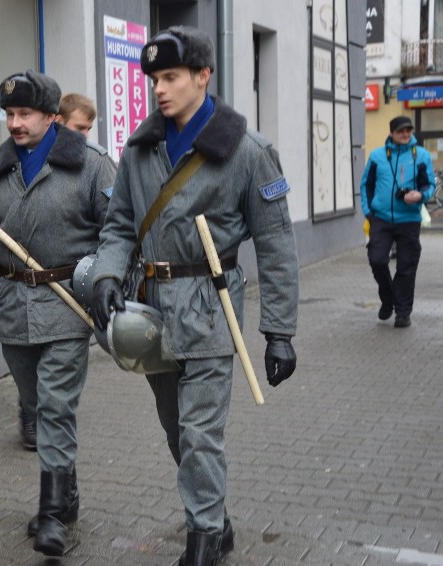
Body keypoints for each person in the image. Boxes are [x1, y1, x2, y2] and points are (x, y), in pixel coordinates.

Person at [90, 27, 299, 565]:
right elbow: (118, 226)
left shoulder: (248, 153)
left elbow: (276, 244)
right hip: (152, 309)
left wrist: (279, 332)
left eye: (171, 77)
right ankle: (218, 518)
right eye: (154, 79)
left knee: (201, 433)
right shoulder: (140, 151)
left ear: (203, 76)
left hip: (212, 306)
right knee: (176, 430)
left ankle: (204, 539)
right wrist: (109, 274)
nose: (160, 89)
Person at [0, 69, 116, 558]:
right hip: (14, 308)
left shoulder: (92, 166)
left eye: (25, 114)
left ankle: (52, 511)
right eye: (10, 113)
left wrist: (107, 281)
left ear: (52, 117)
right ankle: (68, 493)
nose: (15, 123)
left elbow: (119, 232)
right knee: (37, 406)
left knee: (56, 407)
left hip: (66, 304)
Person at [12, 91, 102, 452]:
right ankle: (28, 409)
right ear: (58, 121)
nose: (85, 135)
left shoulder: (91, 165)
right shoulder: (13, 165)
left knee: (56, 400)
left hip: (69, 294)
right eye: (80, 127)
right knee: (32, 381)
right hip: (20, 297)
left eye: (90, 129)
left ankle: (58, 497)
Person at [360, 115, 434, 328]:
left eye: (408, 130)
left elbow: (428, 185)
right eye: (401, 131)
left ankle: (403, 312)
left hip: (409, 219)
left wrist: (420, 196)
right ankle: (388, 299)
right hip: (380, 218)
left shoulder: (420, 155)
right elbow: (366, 185)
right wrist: (368, 212)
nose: (405, 134)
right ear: (392, 133)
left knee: (406, 266)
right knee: (377, 260)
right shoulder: (377, 156)